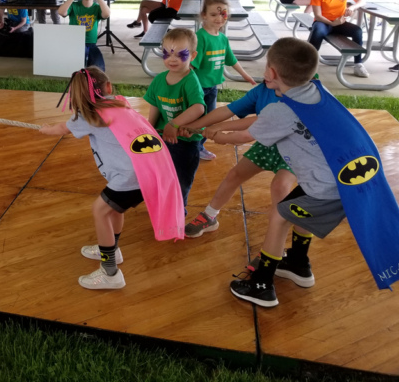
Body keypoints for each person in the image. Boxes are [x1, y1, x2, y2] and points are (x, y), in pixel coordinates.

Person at [211, 38, 399, 306]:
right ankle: (299, 264)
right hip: (333, 183)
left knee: (279, 214)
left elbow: (243, 137)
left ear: (272, 74)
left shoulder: (282, 110)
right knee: (295, 208)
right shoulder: (318, 92)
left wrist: (218, 135)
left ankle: (262, 285)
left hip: (326, 191)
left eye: (267, 66)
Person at [39, 67, 183, 290]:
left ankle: (110, 273)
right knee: (114, 210)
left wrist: (45, 130)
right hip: (150, 172)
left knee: (100, 210)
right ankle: (112, 250)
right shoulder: (120, 104)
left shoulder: (89, 115)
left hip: (130, 178)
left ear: (77, 96)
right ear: (108, 87)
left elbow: (60, 128)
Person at [178, 81, 297, 238]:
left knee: (280, 186)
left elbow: (246, 135)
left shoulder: (301, 96)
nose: (265, 73)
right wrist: (195, 127)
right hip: (268, 144)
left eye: (271, 68)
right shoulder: (265, 88)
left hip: (298, 150)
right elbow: (232, 111)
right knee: (235, 175)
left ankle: (274, 246)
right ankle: (209, 216)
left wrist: (223, 135)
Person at [143, 28, 205, 212]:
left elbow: (198, 107)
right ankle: (164, 204)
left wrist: (173, 124)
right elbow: (154, 105)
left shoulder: (190, 81)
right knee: (161, 175)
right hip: (163, 139)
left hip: (185, 142)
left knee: (181, 179)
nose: (172, 59)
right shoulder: (159, 80)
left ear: (193, 56)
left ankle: (178, 209)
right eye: (167, 53)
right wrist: (150, 130)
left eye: (181, 54)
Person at [191, 0, 256, 161]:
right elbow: (190, 65)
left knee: (209, 119)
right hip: (198, 89)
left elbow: (232, 60)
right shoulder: (200, 38)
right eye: (213, 14)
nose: (219, 18)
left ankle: (198, 146)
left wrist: (246, 76)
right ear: (204, 15)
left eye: (223, 14)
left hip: (212, 87)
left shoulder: (223, 39)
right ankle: (192, 147)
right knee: (197, 119)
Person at [307, 0, 370, 78]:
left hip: (340, 22)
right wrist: (331, 23)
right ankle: (308, 64)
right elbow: (317, 15)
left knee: (357, 31)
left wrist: (351, 8)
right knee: (317, 31)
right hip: (324, 22)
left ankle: (358, 64)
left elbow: (362, 0)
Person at [57, 0, 110, 70]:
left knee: (99, 68)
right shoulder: (74, 5)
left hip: (91, 43)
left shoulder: (97, 7)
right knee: (79, 63)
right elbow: (61, 12)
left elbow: (107, 14)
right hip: (75, 42)